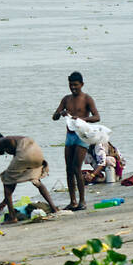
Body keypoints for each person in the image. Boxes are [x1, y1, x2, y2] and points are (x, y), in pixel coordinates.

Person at [51, 71, 100, 211]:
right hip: (70, 136)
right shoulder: (66, 99)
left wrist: (82, 119)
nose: (73, 88)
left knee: (76, 168)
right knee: (68, 169)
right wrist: (60, 114)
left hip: (82, 135)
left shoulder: (87, 99)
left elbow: (97, 117)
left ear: (82, 84)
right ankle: (72, 201)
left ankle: (82, 201)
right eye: (71, 85)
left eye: (76, 85)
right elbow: (54, 116)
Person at [0, 133, 57, 221]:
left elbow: (8, 140)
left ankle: (12, 217)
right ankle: (54, 208)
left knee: (6, 180)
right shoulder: (17, 148)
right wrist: (4, 202)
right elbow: (13, 179)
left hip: (26, 153)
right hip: (36, 152)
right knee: (36, 181)